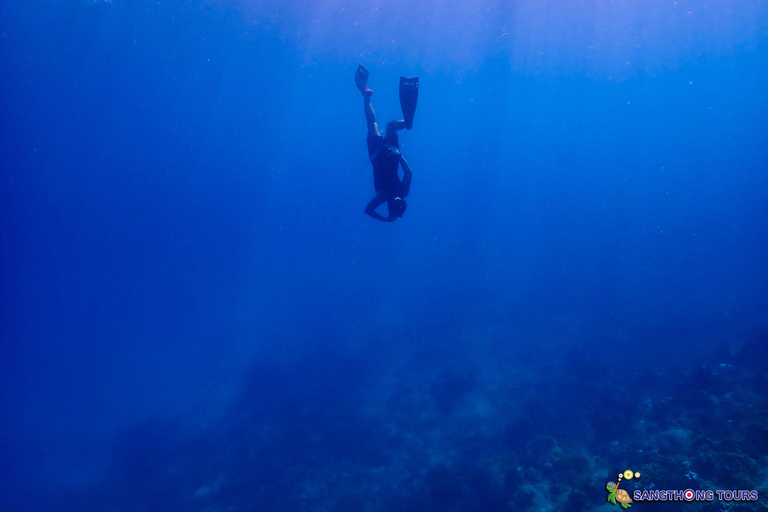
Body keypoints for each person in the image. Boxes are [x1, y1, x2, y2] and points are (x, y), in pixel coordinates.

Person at [355, 65, 419, 222]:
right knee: (376, 124)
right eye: (401, 202)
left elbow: (409, 173)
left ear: (393, 204)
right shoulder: (384, 197)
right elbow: (368, 210)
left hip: (386, 155)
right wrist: (399, 156)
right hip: (385, 155)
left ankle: (406, 122)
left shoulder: (391, 195)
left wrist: (399, 156)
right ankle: (366, 96)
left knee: (386, 125)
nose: (399, 200)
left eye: (397, 203)